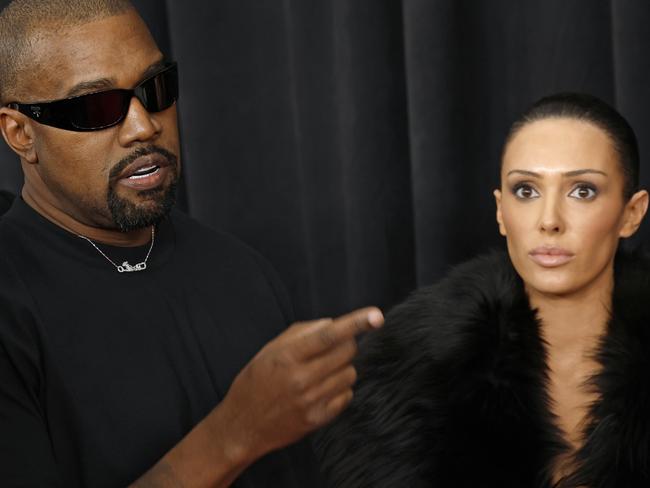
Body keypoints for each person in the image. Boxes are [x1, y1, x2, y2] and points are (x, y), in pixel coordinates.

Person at [0, 1, 384, 487]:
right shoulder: (11, 307)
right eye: (97, 108)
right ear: (20, 133)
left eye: (155, 88)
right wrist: (236, 433)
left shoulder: (242, 271)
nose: (145, 126)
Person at [316, 93, 650, 487]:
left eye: (582, 191)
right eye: (526, 190)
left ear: (632, 213)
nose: (549, 221)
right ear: (500, 212)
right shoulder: (408, 384)